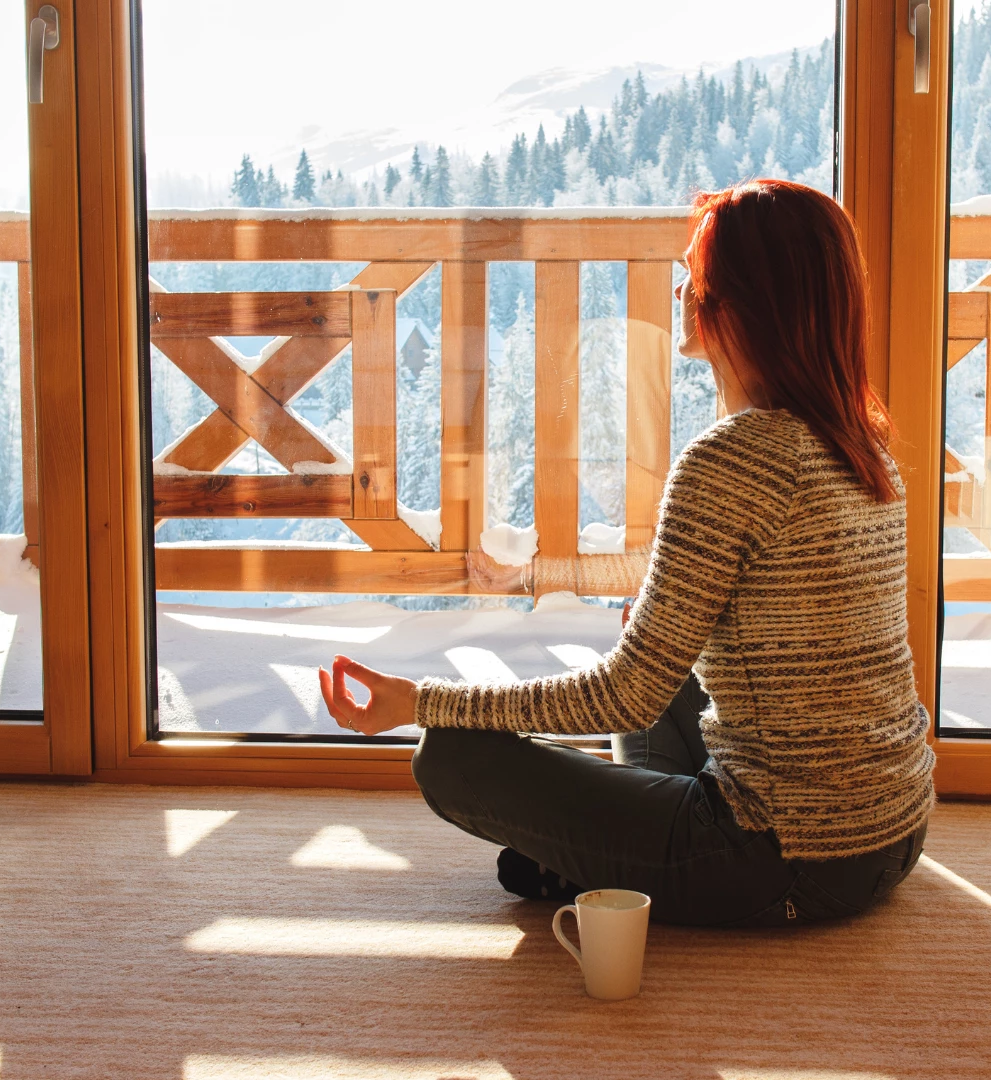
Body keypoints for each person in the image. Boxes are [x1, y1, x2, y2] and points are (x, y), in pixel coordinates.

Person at [317, 179, 933, 927]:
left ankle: (615, 861)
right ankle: (609, 854)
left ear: (743, 302)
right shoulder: (862, 447)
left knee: (451, 757)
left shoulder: (736, 458)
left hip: (784, 857)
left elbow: (625, 697)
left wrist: (422, 702)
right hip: (892, 831)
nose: (681, 289)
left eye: (696, 275)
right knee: (656, 647)